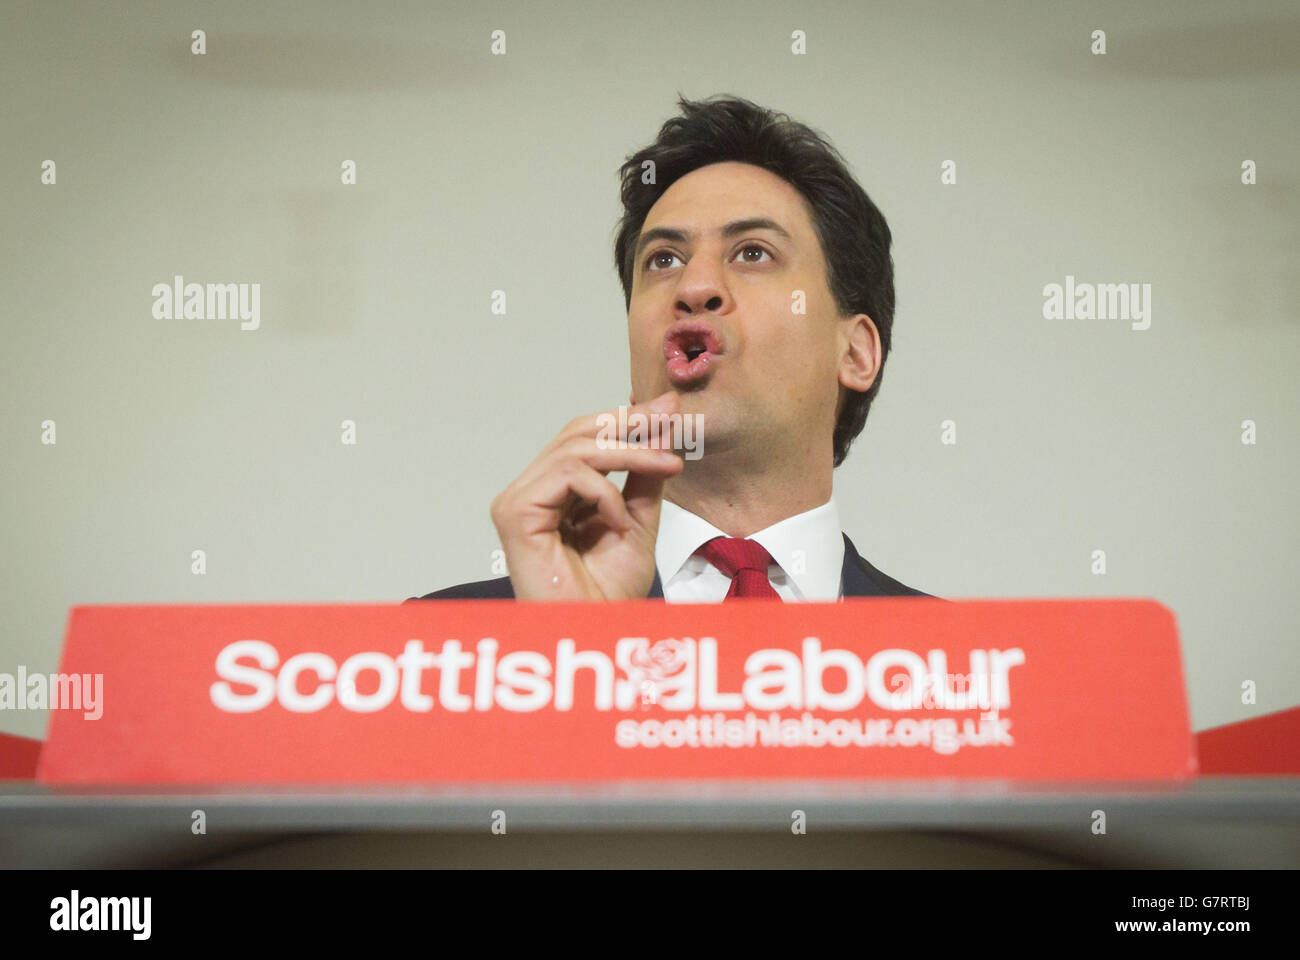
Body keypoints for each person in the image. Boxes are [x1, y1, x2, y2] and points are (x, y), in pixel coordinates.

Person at [412, 94, 929, 602]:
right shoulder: (439, 651)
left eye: (753, 252)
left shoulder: (971, 669)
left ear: (856, 353)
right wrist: (571, 654)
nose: (693, 287)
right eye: (663, 260)